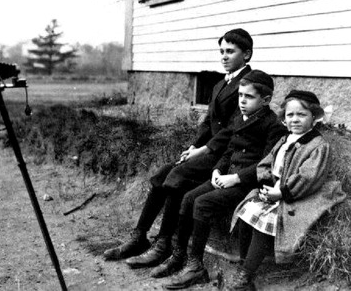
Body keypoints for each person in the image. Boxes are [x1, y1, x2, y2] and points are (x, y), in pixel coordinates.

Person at [103, 29, 254, 267]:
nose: (224, 57)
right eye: (221, 51)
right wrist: (194, 145)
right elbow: (208, 123)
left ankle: (163, 245)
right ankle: (139, 236)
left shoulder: (248, 84)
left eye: (230, 52)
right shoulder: (218, 85)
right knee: (161, 174)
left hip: (225, 155)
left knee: (177, 176)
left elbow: (234, 128)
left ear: (247, 54)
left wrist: (203, 151)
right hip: (207, 150)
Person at [157, 70, 288, 289]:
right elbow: (228, 151)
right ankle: (182, 257)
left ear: (265, 100)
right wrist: (217, 171)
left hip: (247, 183)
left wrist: (235, 178)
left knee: (202, 202)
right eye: (240, 95)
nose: (242, 101)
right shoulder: (239, 117)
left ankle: (196, 267)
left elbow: (267, 165)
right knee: (189, 198)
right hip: (226, 176)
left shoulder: (272, 126)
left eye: (249, 97)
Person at [222, 90, 346, 291]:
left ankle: (245, 277)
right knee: (247, 212)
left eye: (301, 115)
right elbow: (268, 163)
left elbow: (309, 177)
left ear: (314, 117)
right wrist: (267, 182)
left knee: (268, 221)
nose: (295, 120)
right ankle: (245, 264)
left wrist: (281, 193)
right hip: (276, 189)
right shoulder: (285, 140)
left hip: (299, 194)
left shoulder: (317, 145)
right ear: (284, 118)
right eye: (290, 115)